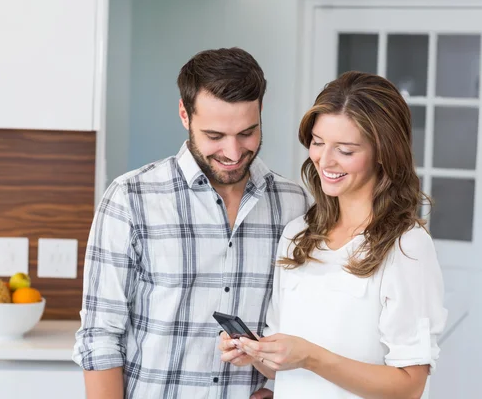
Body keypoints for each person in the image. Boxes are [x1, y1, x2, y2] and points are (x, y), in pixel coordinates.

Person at [72, 47, 309, 399]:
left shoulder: (295, 204)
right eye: (215, 136)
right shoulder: (130, 198)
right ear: (185, 114)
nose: (232, 152)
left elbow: (305, 329)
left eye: (247, 133)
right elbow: (100, 336)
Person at [219, 71, 448, 398]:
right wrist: (255, 354)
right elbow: (279, 366)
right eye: (318, 142)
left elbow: (409, 386)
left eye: (346, 150)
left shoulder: (406, 246)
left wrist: (311, 358)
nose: (324, 160)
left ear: (383, 152)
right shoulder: (297, 235)